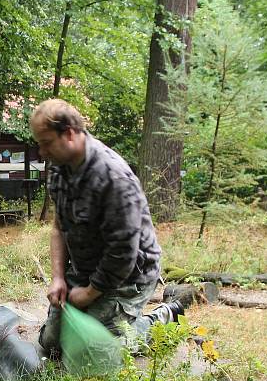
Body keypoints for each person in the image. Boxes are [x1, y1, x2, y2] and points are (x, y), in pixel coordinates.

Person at [30, 98, 183, 354]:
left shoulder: (113, 178)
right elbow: (59, 227)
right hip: (85, 270)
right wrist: (58, 278)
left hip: (128, 276)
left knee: (97, 352)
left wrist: (90, 294)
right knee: (51, 344)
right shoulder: (60, 168)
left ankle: (160, 319)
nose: (41, 153)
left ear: (68, 134)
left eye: (46, 143)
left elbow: (123, 253)